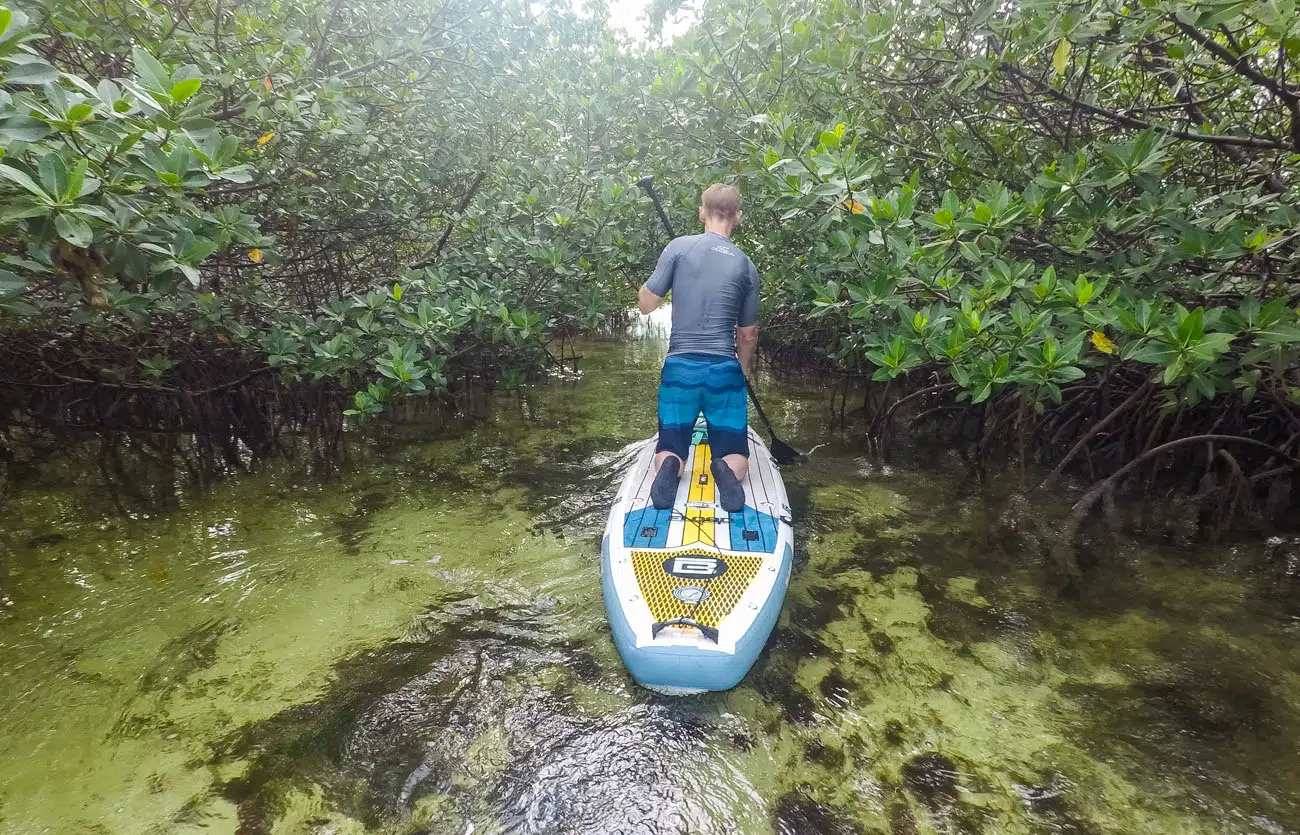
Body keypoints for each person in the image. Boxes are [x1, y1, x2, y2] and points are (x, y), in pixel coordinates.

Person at [637, 183, 759, 513]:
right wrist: (742, 371)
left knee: (670, 443)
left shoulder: (679, 248)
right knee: (736, 455)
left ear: (701, 212)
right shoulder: (747, 266)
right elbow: (747, 335)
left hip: (680, 367)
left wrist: (663, 278)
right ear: (739, 217)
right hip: (723, 370)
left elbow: (647, 304)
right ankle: (726, 470)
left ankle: (670, 466)